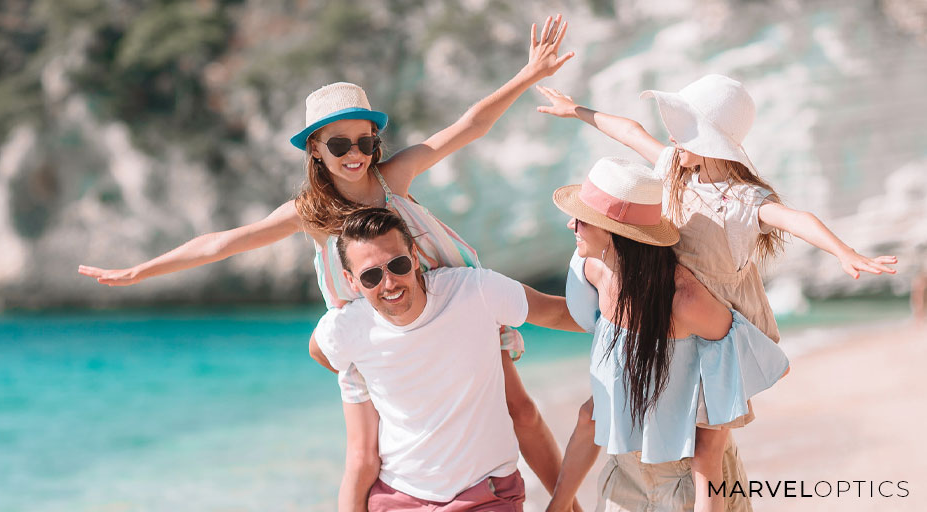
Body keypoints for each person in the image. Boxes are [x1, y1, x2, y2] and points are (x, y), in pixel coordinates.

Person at [78, 14, 579, 496]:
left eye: (365, 140)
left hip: (449, 310)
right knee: (375, 449)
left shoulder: (393, 178)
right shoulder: (310, 213)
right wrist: (142, 271)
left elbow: (470, 125)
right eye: (339, 143)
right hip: (381, 331)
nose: (355, 152)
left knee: (524, 413)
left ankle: (568, 504)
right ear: (315, 149)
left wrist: (528, 74)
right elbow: (223, 242)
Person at [537, 75, 895, 512]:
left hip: (718, 329)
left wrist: (844, 251)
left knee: (707, 447)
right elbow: (630, 131)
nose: (671, 135)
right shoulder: (672, 168)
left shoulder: (744, 201)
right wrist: (576, 110)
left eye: (683, 127)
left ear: (709, 140)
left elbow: (795, 217)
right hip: (675, 311)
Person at [546, 157, 790, 512]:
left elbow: (740, 376)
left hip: (688, 486)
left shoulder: (684, 299)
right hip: (623, 476)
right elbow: (592, 413)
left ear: (614, 231)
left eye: (583, 219)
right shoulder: (595, 271)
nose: (572, 225)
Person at [312, 207, 583, 511]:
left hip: (485, 494)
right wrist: (368, 375)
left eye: (397, 265)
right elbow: (319, 349)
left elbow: (557, 312)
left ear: (414, 257)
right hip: (397, 497)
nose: (388, 283)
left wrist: (633, 319)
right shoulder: (350, 327)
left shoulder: (474, 291)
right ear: (352, 281)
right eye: (371, 275)